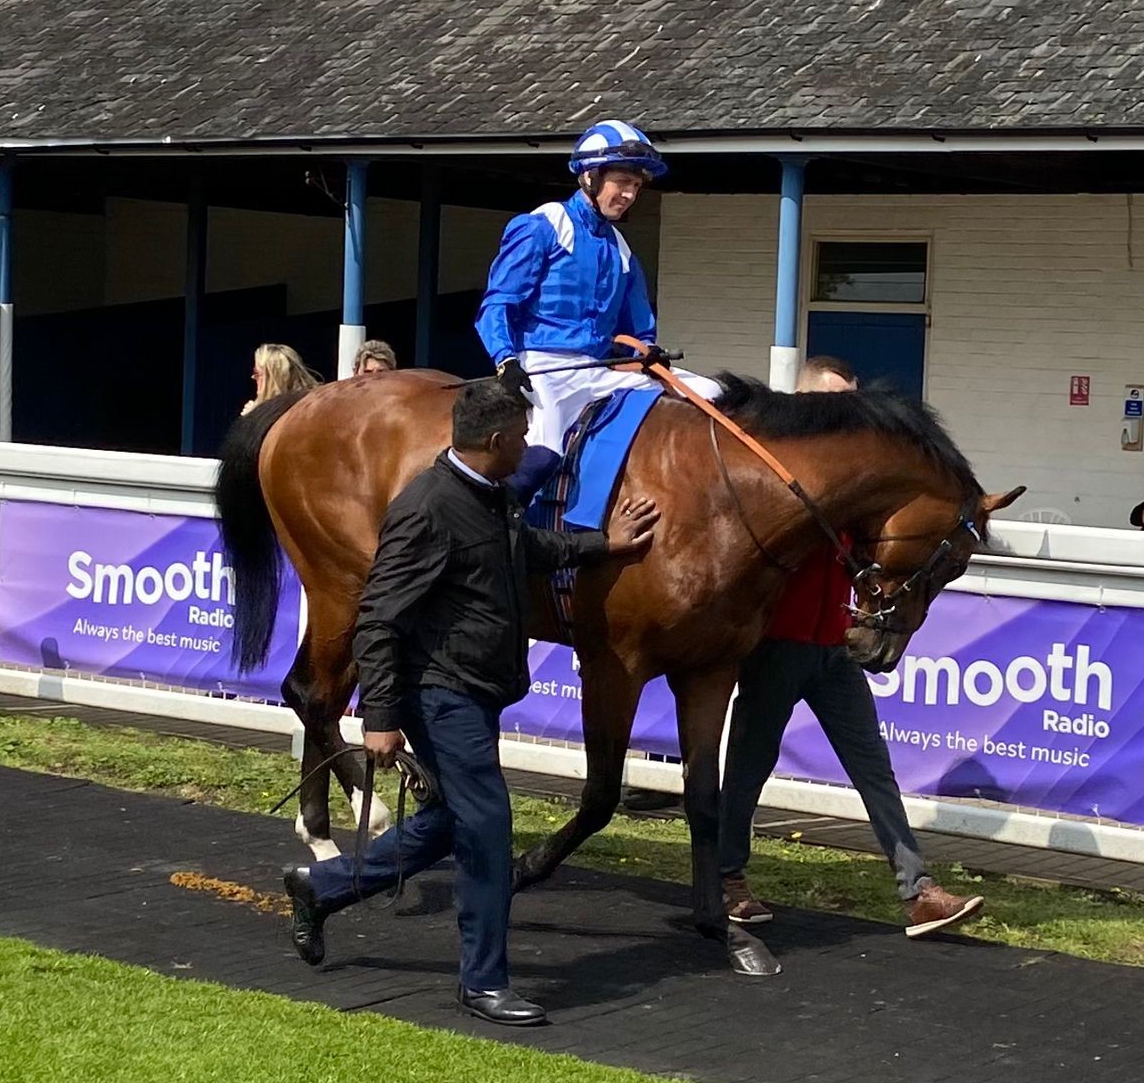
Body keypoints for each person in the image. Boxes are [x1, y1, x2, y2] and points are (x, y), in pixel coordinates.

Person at [282, 375, 660, 1026]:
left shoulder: (493, 497)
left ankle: (322, 887)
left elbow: (527, 550)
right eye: (521, 437)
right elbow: (378, 617)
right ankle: (484, 981)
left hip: (477, 692)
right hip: (437, 695)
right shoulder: (426, 508)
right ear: (493, 440)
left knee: (449, 821)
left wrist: (603, 545)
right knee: (488, 827)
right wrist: (379, 719)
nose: (530, 447)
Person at [716, 355, 986, 938]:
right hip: (779, 646)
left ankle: (918, 890)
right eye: (834, 402)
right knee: (749, 767)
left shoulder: (860, 489)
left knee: (874, 769)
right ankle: (726, 877)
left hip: (835, 649)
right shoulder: (783, 481)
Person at [475, 118, 721, 499]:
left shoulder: (622, 250)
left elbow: (638, 330)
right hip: (544, 367)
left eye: (636, 186)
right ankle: (501, 522)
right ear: (591, 177)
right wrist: (505, 360)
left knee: (710, 392)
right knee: (544, 451)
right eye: (622, 183)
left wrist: (643, 350)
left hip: (599, 369)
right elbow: (498, 303)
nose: (629, 195)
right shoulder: (543, 225)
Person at [241, 342, 321, 414]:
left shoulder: (289, 412)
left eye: (257, 373)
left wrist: (253, 417)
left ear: (273, 377)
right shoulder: (312, 400)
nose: (253, 377)